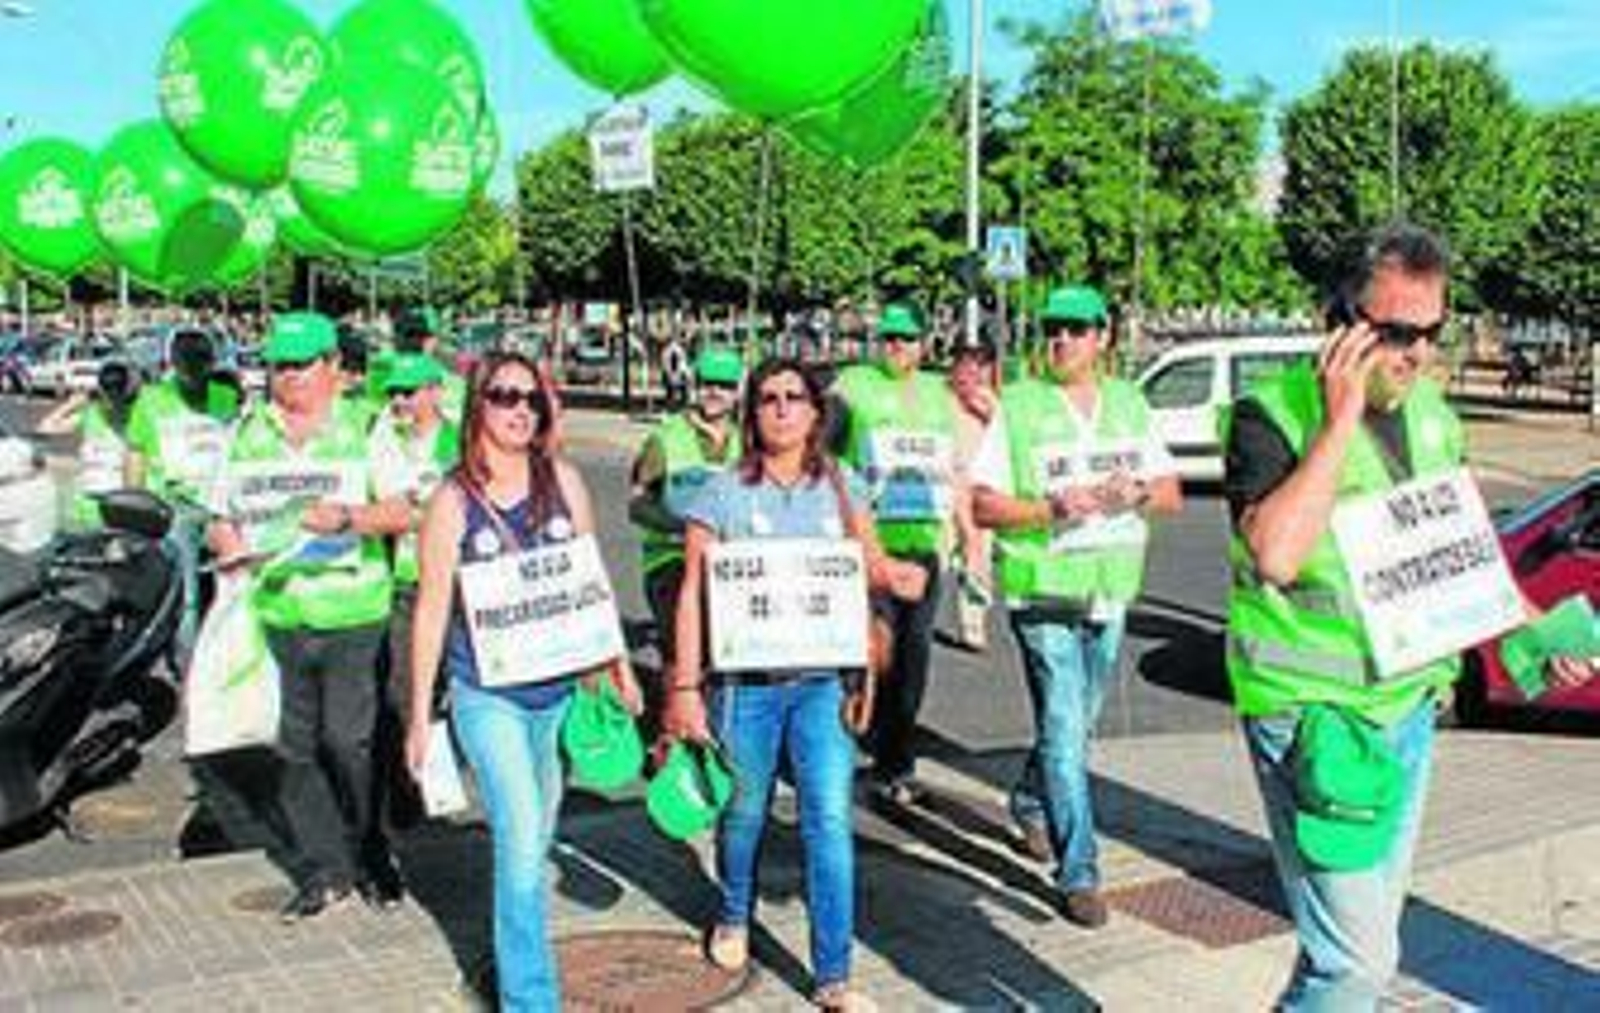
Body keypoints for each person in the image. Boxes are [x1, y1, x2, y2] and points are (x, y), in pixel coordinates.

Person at [1224, 222, 1596, 1009]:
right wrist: (1338, 420)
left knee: (1350, 948)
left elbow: (1462, 558)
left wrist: (1535, 634)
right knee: (1356, 962)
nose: (1418, 354)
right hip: (1316, 719)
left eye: (1431, 332)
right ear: (1339, 321)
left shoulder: (1434, 415)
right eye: (1394, 333)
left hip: (1407, 712)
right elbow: (1277, 555)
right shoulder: (1272, 414)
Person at [663, 357, 923, 1012]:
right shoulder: (721, 491)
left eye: (793, 398)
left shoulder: (844, 485)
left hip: (822, 686)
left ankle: (833, 974)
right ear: (753, 414)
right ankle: (733, 912)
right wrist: (684, 688)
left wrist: (899, 577)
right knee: (744, 813)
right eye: (768, 399)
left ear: (815, 412)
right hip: (743, 686)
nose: (780, 409)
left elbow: (870, 564)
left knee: (829, 820)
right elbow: (692, 592)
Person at [405, 350, 639, 1011]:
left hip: (556, 692)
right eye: (506, 396)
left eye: (532, 399)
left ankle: (520, 966)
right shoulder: (453, 500)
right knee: (519, 835)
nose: (520, 410)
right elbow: (429, 609)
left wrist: (615, 664)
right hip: (488, 693)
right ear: (477, 403)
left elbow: (591, 585)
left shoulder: (563, 478)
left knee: (535, 840)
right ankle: (530, 999)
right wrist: (420, 715)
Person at [971, 284, 1183, 928]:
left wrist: (1136, 490)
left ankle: (1032, 803)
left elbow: (1172, 492)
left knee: (1074, 730)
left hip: (1108, 592)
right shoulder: (1021, 406)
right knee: (1066, 732)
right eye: (1052, 328)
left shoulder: (1128, 401)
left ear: (1103, 337)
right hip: (1043, 593)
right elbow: (982, 504)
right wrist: (1051, 507)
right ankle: (1079, 871)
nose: (1060, 340)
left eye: (1075, 329)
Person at [207, 312, 405, 921]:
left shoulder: (366, 425)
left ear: (333, 369)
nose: (287, 377)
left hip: (353, 611)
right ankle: (326, 869)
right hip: (276, 613)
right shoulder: (245, 430)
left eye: (300, 364)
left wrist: (347, 518)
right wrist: (227, 548)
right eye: (279, 365)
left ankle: (373, 847)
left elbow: (407, 510)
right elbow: (219, 514)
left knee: (348, 742)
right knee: (292, 749)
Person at [832, 303, 953, 804]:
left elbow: (958, 464)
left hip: (922, 548)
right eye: (888, 338)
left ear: (924, 344)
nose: (895, 347)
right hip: (870, 546)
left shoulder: (937, 393)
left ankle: (895, 759)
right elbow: (827, 445)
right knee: (870, 652)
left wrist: (963, 534)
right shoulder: (853, 384)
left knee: (913, 656)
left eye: (905, 339)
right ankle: (855, 739)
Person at [369, 353, 461, 827]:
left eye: (408, 392)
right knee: (406, 690)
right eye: (393, 393)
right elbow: (380, 506)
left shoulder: (460, 440)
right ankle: (412, 795)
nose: (399, 401)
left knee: (457, 689)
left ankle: (442, 785)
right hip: (407, 581)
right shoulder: (382, 439)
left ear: (434, 391)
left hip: (462, 585)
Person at [629, 346, 744, 722]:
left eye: (724, 385)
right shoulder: (665, 439)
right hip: (671, 560)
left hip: (729, 566)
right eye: (708, 383)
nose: (715, 392)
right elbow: (638, 505)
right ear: (694, 384)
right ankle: (672, 737)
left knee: (727, 653)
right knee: (682, 653)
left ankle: (713, 733)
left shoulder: (749, 444)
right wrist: (685, 527)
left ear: (737, 391)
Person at [126, 329, 241, 660]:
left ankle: (227, 660)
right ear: (173, 363)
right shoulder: (152, 399)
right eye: (186, 365)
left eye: (201, 364)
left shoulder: (223, 395)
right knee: (187, 597)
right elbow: (136, 453)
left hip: (221, 505)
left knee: (230, 591)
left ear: (211, 363)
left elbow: (237, 446)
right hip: (175, 507)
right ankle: (188, 667)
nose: (194, 373)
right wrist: (135, 508)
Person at [946, 328, 1001, 651]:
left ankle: (973, 624)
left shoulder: (993, 403)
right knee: (936, 558)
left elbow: (1008, 444)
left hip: (979, 494)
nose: (972, 371)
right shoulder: (939, 398)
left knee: (976, 558)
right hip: (942, 490)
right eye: (965, 362)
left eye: (980, 363)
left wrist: (991, 415)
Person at [37, 361, 140, 529]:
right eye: (107, 392)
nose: (111, 399)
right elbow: (45, 429)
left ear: (126, 392)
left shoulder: (137, 417)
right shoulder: (90, 415)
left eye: (117, 392)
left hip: (120, 504)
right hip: (88, 503)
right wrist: (71, 405)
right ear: (101, 391)